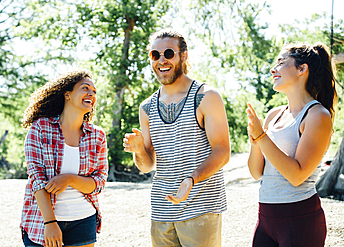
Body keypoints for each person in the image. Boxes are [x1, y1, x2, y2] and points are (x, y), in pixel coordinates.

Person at [123, 29, 230, 246]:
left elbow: (222, 151)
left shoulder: (206, 97)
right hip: (161, 211)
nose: (162, 60)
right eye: (155, 55)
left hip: (201, 208)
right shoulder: (146, 107)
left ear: (184, 55)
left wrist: (191, 179)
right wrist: (139, 151)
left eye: (169, 53)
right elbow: (147, 165)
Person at [246, 43, 337, 247]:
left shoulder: (317, 116)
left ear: (302, 69)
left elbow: (297, 176)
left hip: (299, 218)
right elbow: (256, 172)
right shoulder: (273, 115)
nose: (273, 69)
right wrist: (255, 141)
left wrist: (262, 137)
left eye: (281, 62)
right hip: (265, 216)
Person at [20, 69, 108, 247]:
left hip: (84, 219)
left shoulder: (97, 135)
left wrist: (68, 179)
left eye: (94, 91)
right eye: (85, 88)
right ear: (67, 94)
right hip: (43, 220)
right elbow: (37, 178)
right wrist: (50, 223)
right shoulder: (41, 128)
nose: (91, 93)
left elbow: (99, 182)